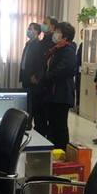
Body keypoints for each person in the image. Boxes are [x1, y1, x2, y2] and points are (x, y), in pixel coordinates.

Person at [32, 21, 77, 150]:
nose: (55, 34)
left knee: (60, 126)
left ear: (65, 36)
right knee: (52, 125)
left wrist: (42, 79)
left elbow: (59, 71)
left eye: (58, 32)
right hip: (52, 94)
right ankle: (52, 151)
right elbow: (47, 68)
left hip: (61, 95)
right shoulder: (56, 49)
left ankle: (61, 151)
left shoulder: (68, 51)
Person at [31, 16, 59, 136]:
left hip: (45, 84)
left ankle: (43, 137)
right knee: (37, 113)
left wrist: (40, 78)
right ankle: (38, 134)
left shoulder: (53, 43)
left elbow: (47, 65)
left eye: (45, 23)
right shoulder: (42, 41)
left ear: (52, 27)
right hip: (37, 81)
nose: (42, 25)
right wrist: (34, 75)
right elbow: (35, 61)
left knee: (44, 115)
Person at [19, 23, 42, 127]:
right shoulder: (29, 43)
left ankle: (30, 124)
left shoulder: (38, 44)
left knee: (32, 103)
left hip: (32, 78)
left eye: (30, 29)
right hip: (26, 77)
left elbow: (38, 63)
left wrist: (35, 75)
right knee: (26, 102)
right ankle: (27, 123)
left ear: (36, 31)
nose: (28, 30)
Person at [74, 29, 84, 113]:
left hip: (83, 71)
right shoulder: (81, 45)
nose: (82, 36)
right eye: (81, 34)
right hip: (78, 71)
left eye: (83, 34)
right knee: (78, 88)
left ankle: (81, 106)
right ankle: (78, 105)